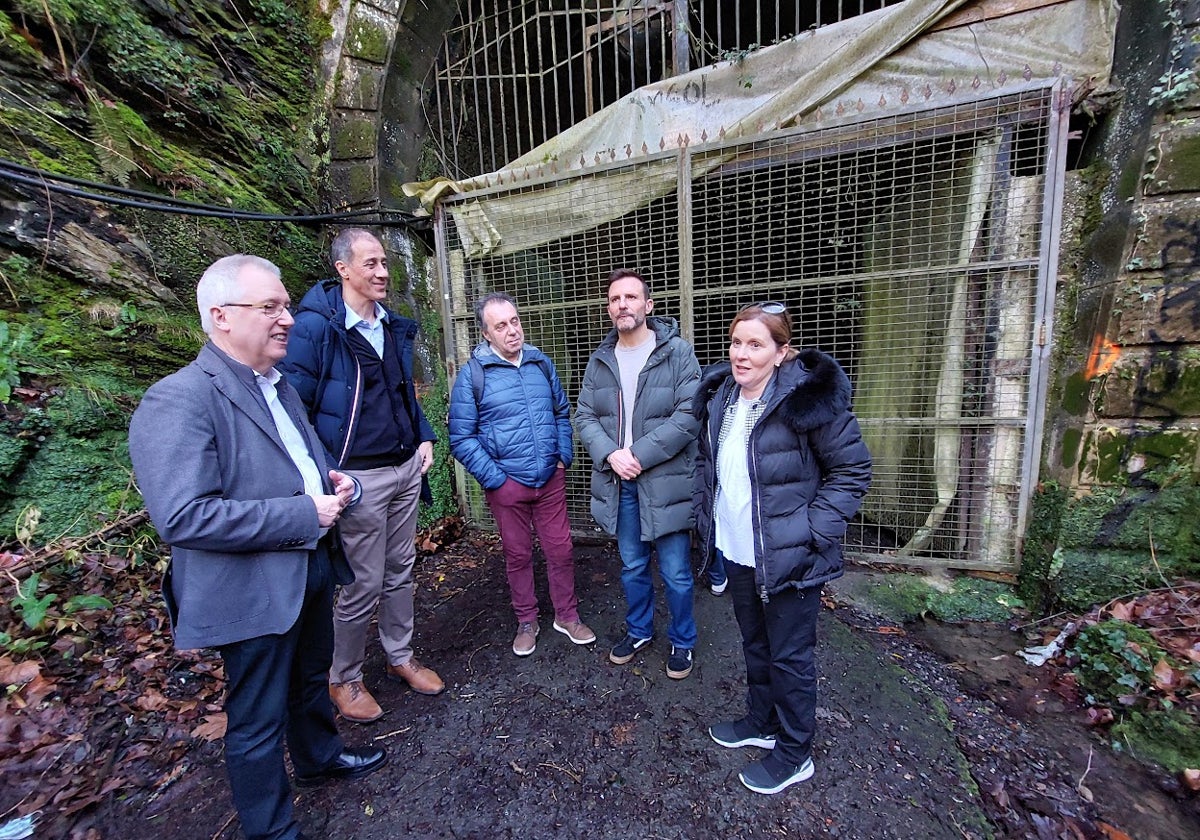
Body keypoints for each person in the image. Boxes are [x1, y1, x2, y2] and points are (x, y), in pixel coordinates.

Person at [128, 255, 387, 840]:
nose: (287, 319)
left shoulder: (280, 386)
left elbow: (299, 461)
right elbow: (184, 516)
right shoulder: (178, 399)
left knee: (308, 677)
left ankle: (320, 759)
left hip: (311, 564)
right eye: (269, 307)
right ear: (220, 317)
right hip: (253, 586)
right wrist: (302, 512)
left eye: (285, 305)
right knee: (257, 716)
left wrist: (333, 479)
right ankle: (269, 829)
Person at [694, 301, 871, 795]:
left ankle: (795, 754)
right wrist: (706, 518)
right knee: (756, 644)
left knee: (790, 656)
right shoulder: (723, 398)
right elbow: (711, 467)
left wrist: (814, 530)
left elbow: (852, 470)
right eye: (736, 342)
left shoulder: (805, 402)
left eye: (756, 344)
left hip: (791, 555)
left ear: (782, 352)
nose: (742, 354)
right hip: (738, 548)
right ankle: (762, 721)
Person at [279, 228, 443, 724]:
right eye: (370, 263)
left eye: (385, 263)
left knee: (400, 572)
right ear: (342, 269)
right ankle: (343, 678)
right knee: (361, 583)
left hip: (404, 469)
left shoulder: (391, 326)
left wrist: (425, 435)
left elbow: (403, 394)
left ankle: (399, 657)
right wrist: (324, 475)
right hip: (357, 480)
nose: (383, 272)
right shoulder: (316, 330)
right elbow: (294, 409)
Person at [448, 292, 595, 656]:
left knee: (560, 549)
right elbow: (461, 437)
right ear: (485, 333)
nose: (512, 330)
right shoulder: (473, 376)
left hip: (549, 478)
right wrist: (496, 480)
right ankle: (527, 620)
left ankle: (567, 614)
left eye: (515, 321)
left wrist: (562, 456)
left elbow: (563, 412)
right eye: (501, 325)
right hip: (507, 485)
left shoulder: (540, 363)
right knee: (517, 554)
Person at [575, 269, 701, 679]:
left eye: (631, 297)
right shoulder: (601, 359)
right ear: (609, 309)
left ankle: (683, 642)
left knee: (677, 572)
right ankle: (639, 631)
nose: (622, 305)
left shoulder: (677, 352)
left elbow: (688, 417)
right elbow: (584, 415)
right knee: (631, 566)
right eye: (614, 299)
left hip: (663, 481)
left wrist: (638, 455)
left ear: (648, 306)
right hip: (619, 481)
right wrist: (611, 454)